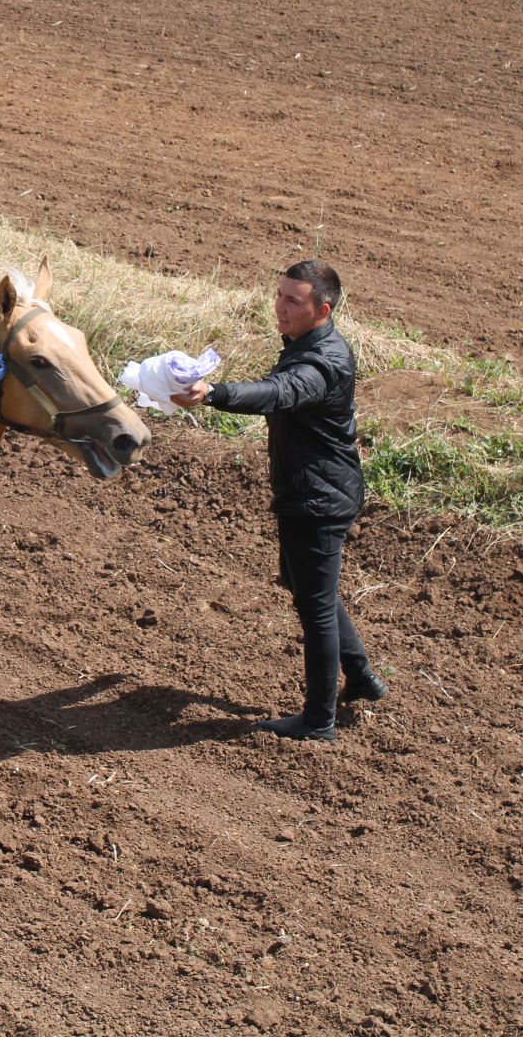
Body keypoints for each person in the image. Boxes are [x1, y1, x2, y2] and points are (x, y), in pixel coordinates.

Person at [172, 261, 387, 742]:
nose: (280, 306)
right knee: (310, 588)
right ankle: (363, 679)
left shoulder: (321, 362)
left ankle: (318, 720)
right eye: (279, 295)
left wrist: (213, 394)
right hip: (314, 488)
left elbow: (280, 392)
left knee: (314, 606)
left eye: (293, 300)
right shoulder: (307, 344)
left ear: (322, 309)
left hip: (318, 499)